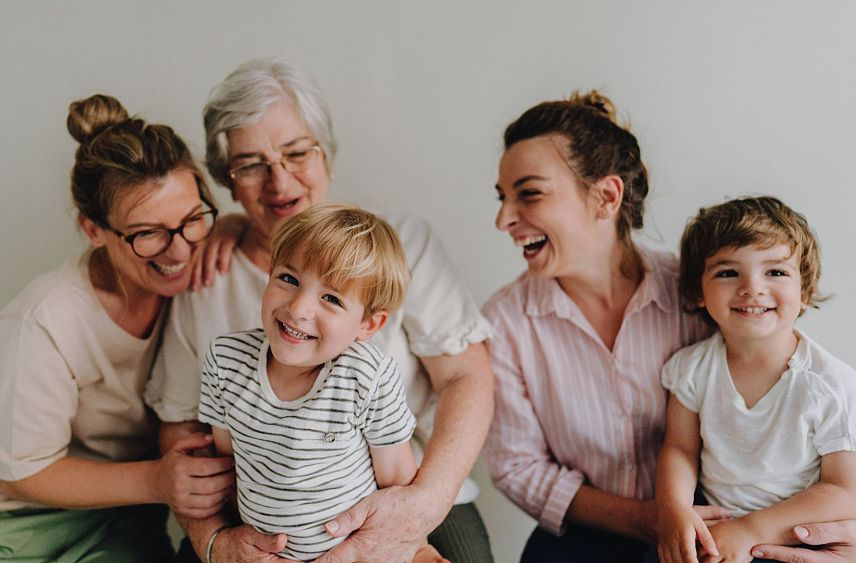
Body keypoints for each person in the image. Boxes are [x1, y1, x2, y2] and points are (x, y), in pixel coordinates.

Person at [144, 57, 495, 563]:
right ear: (227, 179)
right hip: (258, 520)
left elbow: (467, 377)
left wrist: (420, 508)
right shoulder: (205, 277)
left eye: (295, 153)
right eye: (251, 164)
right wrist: (215, 541)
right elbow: (182, 427)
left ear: (325, 154)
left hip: (415, 491)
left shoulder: (405, 248)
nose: (280, 183)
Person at [0, 94, 232, 562]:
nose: (179, 250)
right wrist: (158, 480)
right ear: (94, 230)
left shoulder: (200, 278)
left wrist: (237, 228)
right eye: (148, 233)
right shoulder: (43, 320)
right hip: (2, 531)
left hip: (121, 529)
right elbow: (21, 473)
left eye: (191, 219)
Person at [482, 90, 733, 562]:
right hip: (583, 537)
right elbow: (517, 467)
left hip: (715, 525)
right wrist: (642, 519)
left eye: (528, 194)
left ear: (606, 196)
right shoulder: (504, 323)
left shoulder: (699, 292)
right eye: (502, 198)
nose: (504, 219)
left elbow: (778, 393)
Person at [199, 203, 444, 562]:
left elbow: (398, 485)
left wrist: (418, 551)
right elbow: (229, 465)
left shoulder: (367, 376)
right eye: (289, 279)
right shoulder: (225, 360)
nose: (299, 308)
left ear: (368, 326)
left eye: (331, 298)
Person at [654, 197, 856, 563]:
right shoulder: (692, 368)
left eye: (775, 272)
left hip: (792, 539)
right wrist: (673, 508)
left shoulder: (831, 384)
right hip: (714, 531)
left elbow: (844, 490)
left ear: (805, 290)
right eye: (728, 272)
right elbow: (679, 449)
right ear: (698, 292)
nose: (752, 287)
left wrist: (751, 530)